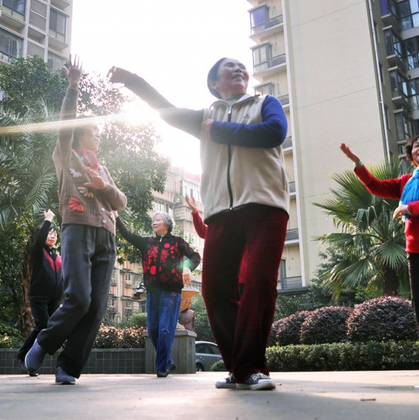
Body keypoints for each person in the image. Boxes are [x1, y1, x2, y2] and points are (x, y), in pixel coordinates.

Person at [109, 58, 289, 391]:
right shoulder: (205, 115)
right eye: (229, 66)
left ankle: (250, 367)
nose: (239, 69)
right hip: (221, 212)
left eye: (241, 66)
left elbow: (275, 132)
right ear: (214, 83)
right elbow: (165, 110)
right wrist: (132, 80)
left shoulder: (265, 103)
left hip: (265, 207)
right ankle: (238, 368)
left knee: (258, 284)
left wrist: (219, 131)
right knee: (215, 291)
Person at [24, 56, 127, 385]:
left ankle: (67, 368)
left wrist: (103, 186)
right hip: (78, 229)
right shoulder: (66, 154)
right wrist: (73, 86)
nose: (99, 135)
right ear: (80, 134)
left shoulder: (102, 168)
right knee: (79, 298)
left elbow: (121, 202)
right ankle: (43, 344)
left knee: (96, 308)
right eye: (94, 130)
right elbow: (65, 124)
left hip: (107, 238)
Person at [340, 134, 419, 377]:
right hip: (417, 250)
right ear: (411, 155)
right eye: (416, 145)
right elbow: (377, 187)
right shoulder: (406, 181)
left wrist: (410, 207)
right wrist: (358, 164)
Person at [116, 213, 200, 377]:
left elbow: (195, 256)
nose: (154, 222)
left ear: (167, 224)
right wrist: (117, 217)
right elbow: (127, 235)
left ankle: (161, 367)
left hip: (171, 291)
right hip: (152, 291)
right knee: (153, 329)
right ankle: (167, 360)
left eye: (158, 220)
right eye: (153, 220)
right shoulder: (147, 242)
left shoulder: (177, 241)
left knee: (165, 328)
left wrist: (187, 267)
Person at [17, 209, 63, 377]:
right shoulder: (37, 251)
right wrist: (48, 220)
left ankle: (33, 362)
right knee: (43, 325)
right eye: (49, 233)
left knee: (52, 328)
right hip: (39, 296)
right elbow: (38, 240)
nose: (52, 236)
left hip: (55, 298)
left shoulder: (58, 256)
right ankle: (23, 356)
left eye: (55, 234)